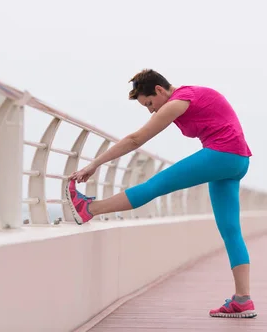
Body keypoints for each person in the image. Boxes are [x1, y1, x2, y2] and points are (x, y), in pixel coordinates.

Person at [66, 69, 256, 318]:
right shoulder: (189, 95)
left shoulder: (178, 101)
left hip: (222, 154)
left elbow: (135, 139)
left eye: (149, 104)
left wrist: (94, 163)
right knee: (231, 231)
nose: (151, 110)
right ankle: (243, 300)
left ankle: (89, 208)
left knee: (155, 186)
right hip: (238, 160)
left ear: (159, 90)